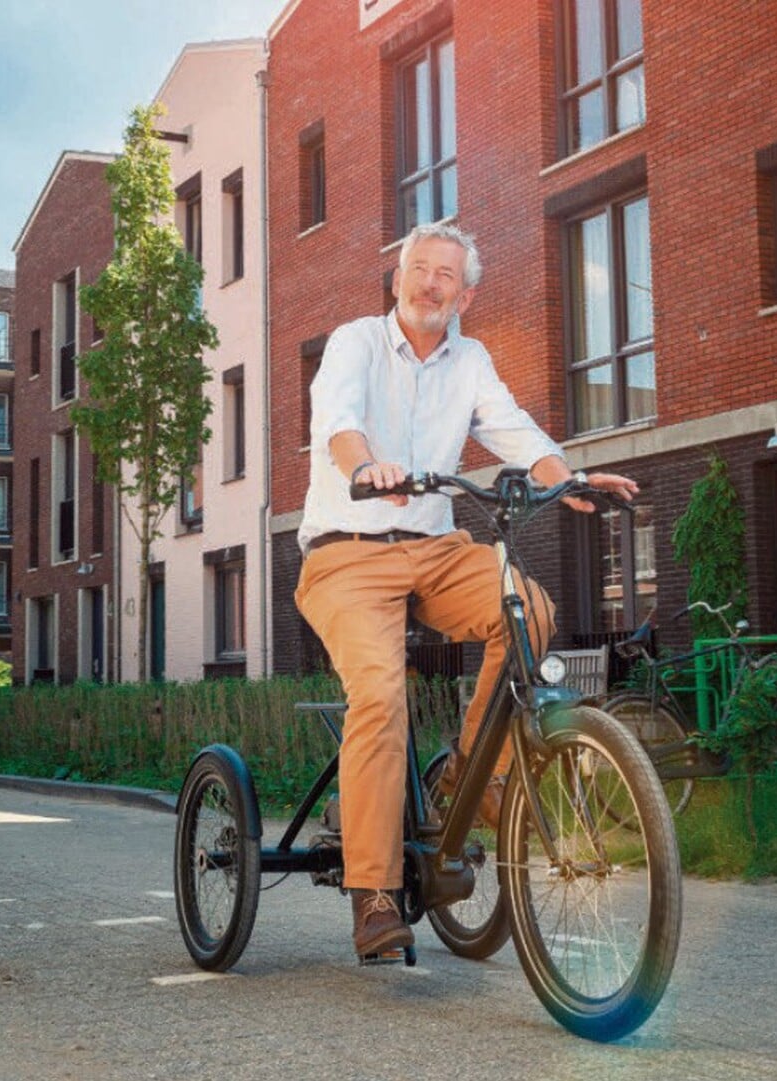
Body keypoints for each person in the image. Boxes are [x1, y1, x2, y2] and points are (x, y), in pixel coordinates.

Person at [292, 222, 639, 960]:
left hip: (437, 549)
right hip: (347, 554)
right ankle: (376, 891)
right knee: (380, 696)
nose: (429, 284)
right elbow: (338, 422)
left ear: (466, 294)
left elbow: (511, 428)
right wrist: (366, 467)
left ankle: (468, 773)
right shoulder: (355, 342)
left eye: (446, 275)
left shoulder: (470, 358)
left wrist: (564, 477)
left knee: (531, 611)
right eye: (418, 269)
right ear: (397, 279)